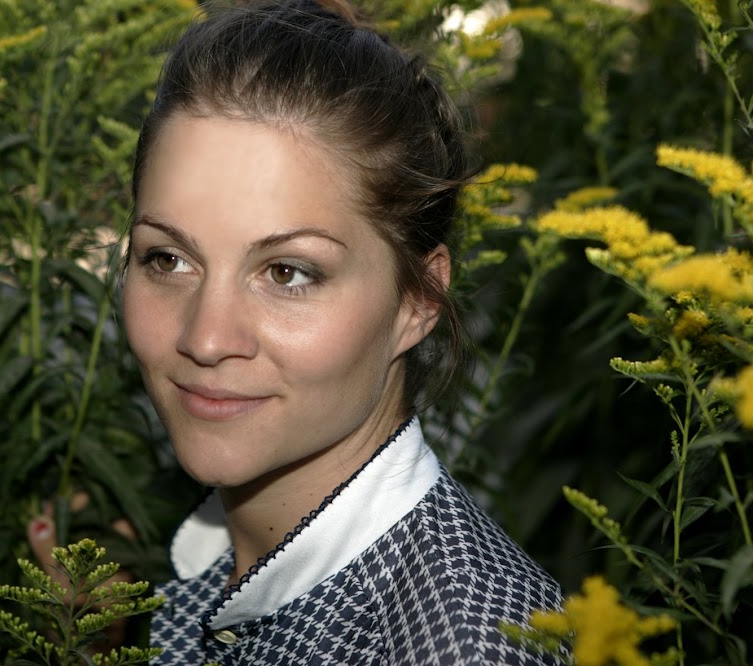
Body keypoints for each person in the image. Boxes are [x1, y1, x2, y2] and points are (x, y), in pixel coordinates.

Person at [118, 0, 564, 663]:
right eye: (168, 260)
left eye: (288, 273)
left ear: (417, 299)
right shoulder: (202, 558)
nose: (206, 340)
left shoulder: (465, 644)